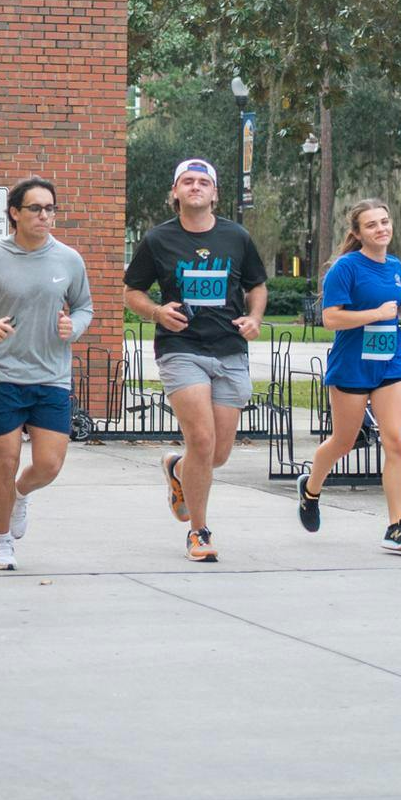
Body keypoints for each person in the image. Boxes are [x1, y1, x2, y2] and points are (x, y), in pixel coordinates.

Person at [123, 158, 269, 562]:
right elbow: (132, 290)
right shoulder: (158, 240)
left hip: (229, 348)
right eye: (187, 181)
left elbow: (257, 285)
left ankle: (177, 469)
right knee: (201, 441)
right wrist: (156, 312)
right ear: (175, 192)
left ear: (215, 193)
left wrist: (255, 318)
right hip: (180, 348)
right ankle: (199, 532)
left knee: (217, 454)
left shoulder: (236, 237)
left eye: (203, 182)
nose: (195, 187)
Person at [0, 177, 94, 571]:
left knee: (48, 465)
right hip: (2, 374)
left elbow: (84, 308)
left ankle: (21, 495)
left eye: (50, 208)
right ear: (14, 213)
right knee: (5, 460)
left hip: (51, 376)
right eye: (36, 208)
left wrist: (73, 328)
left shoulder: (69, 259)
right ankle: (1, 542)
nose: (45, 215)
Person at [298, 199, 401, 554]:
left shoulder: (395, 266)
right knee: (343, 441)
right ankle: (310, 489)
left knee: (397, 442)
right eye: (371, 225)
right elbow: (331, 320)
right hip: (353, 365)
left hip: (390, 363)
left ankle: (396, 526)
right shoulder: (345, 269)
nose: (381, 229)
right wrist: (375, 313)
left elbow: (392, 306)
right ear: (357, 233)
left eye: (385, 222)